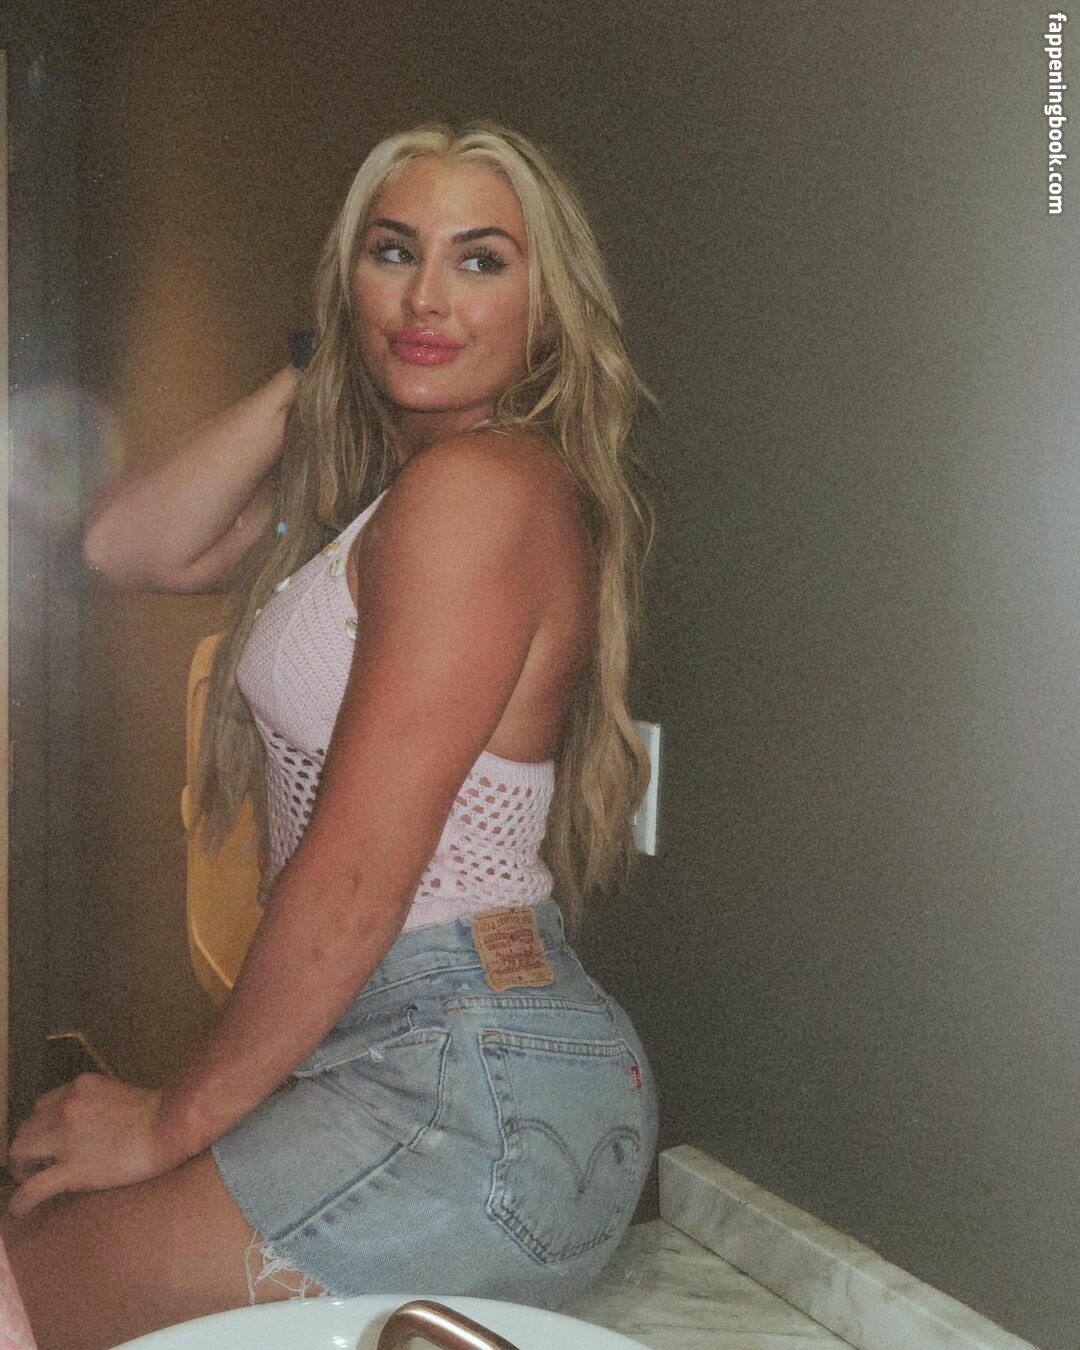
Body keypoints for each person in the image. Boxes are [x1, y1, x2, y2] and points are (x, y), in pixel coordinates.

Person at [1, 119, 661, 1349]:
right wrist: (315, 376)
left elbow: (357, 878)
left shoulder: (475, 490)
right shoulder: (397, 498)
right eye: (392, 252)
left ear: (547, 309)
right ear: (347, 277)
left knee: (25, 1282)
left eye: (480, 260)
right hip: (469, 1069)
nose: (425, 298)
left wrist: (169, 1119)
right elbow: (127, 544)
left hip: (456, 1079)